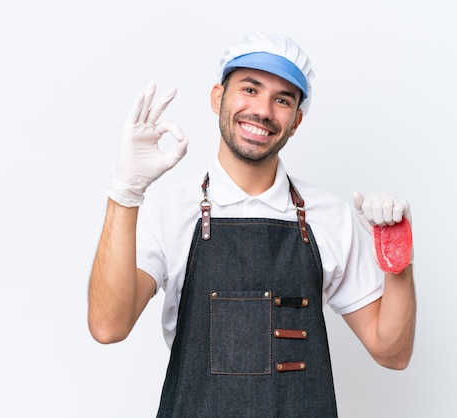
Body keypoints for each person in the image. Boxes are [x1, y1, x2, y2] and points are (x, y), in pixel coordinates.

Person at [88, 32, 417, 417]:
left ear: (295, 121)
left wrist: (398, 258)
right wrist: (126, 193)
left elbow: (392, 352)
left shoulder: (328, 215)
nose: (262, 110)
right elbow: (108, 327)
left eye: (282, 100)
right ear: (218, 98)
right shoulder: (170, 209)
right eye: (250, 88)